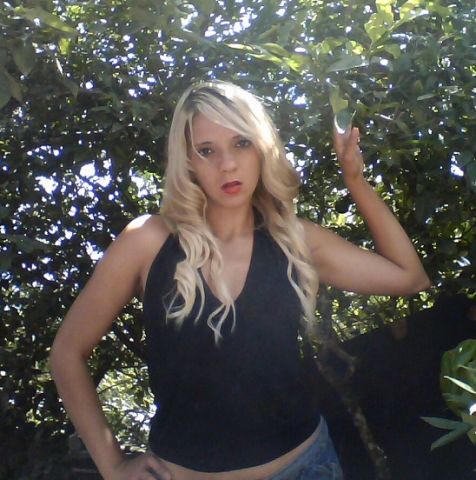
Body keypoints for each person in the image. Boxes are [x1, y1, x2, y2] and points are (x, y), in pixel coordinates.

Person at [50, 80, 431, 480]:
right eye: (207, 150)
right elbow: (67, 353)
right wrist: (113, 466)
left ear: (262, 148)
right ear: (187, 161)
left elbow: (409, 277)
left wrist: (355, 181)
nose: (227, 165)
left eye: (241, 143)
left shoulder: (294, 241)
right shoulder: (148, 241)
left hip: (303, 468)